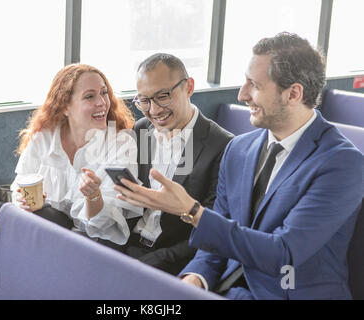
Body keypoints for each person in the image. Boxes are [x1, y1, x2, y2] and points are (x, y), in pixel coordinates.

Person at [115, 32, 364, 299]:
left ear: (293, 93)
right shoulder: (239, 149)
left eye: (254, 85)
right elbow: (216, 242)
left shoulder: (342, 163)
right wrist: (193, 280)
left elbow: (283, 253)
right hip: (229, 289)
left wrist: (191, 210)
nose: (242, 94)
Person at [123, 53, 233, 275]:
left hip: (172, 259)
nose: (154, 110)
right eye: (144, 100)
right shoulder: (142, 128)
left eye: (163, 96)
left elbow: (211, 229)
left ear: (189, 87)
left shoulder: (224, 146)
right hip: (127, 244)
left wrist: (150, 262)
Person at [11, 64, 142, 247]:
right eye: (90, 96)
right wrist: (21, 201)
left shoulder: (121, 144)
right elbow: (19, 184)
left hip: (95, 244)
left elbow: (103, 226)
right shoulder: (43, 138)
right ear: (65, 106)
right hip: (45, 237)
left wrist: (93, 196)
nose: (102, 103)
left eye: (104, 93)